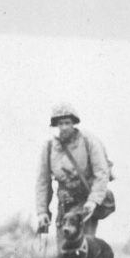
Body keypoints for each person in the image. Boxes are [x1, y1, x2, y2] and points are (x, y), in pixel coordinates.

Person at [35, 103, 114, 248]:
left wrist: (93, 201)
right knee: (64, 253)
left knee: (84, 250)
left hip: (85, 205)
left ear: (73, 123)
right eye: (60, 123)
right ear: (56, 125)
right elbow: (43, 182)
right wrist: (42, 211)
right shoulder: (49, 148)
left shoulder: (88, 141)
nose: (64, 127)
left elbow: (101, 173)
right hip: (65, 206)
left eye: (67, 122)